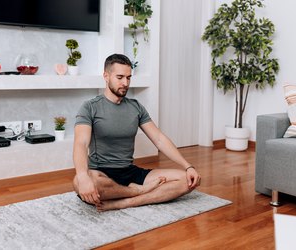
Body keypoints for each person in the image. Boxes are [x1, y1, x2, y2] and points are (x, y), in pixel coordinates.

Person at [73, 54, 201, 212]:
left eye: (128, 77)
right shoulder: (90, 107)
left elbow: (159, 139)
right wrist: (83, 176)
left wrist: (188, 167)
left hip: (129, 171)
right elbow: (81, 143)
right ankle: (138, 191)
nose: (125, 83)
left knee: (186, 180)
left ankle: (124, 202)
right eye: (120, 77)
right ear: (106, 76)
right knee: (79, 183)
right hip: (101, 173)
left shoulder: (136, 107)